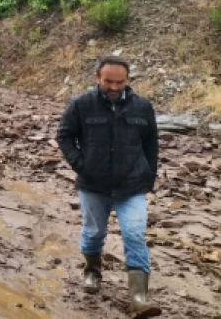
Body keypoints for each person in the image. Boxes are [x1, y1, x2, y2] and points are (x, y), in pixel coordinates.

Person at [56, 55, 161, 317]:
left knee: (135, 234)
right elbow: (64, 135)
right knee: (93, 232)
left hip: (132, 185)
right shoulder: (81, 104)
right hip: (93, 185)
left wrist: (149, 175)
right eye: (108, 82)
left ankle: (138, 297)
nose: (115, 87)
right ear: (97, 78)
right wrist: (81, 164)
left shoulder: (143, 106)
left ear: (128, 80)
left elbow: (151, 143)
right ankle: (92, 271)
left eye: (120, 82)